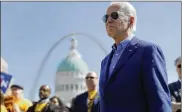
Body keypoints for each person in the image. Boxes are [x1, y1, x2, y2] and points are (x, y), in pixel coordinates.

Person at [99, 2, 172, 112]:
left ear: (131, 21)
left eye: (114, 15)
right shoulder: (105, 62)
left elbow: (159, 102)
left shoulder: (148, 51)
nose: (109, 20)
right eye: (106, 17)